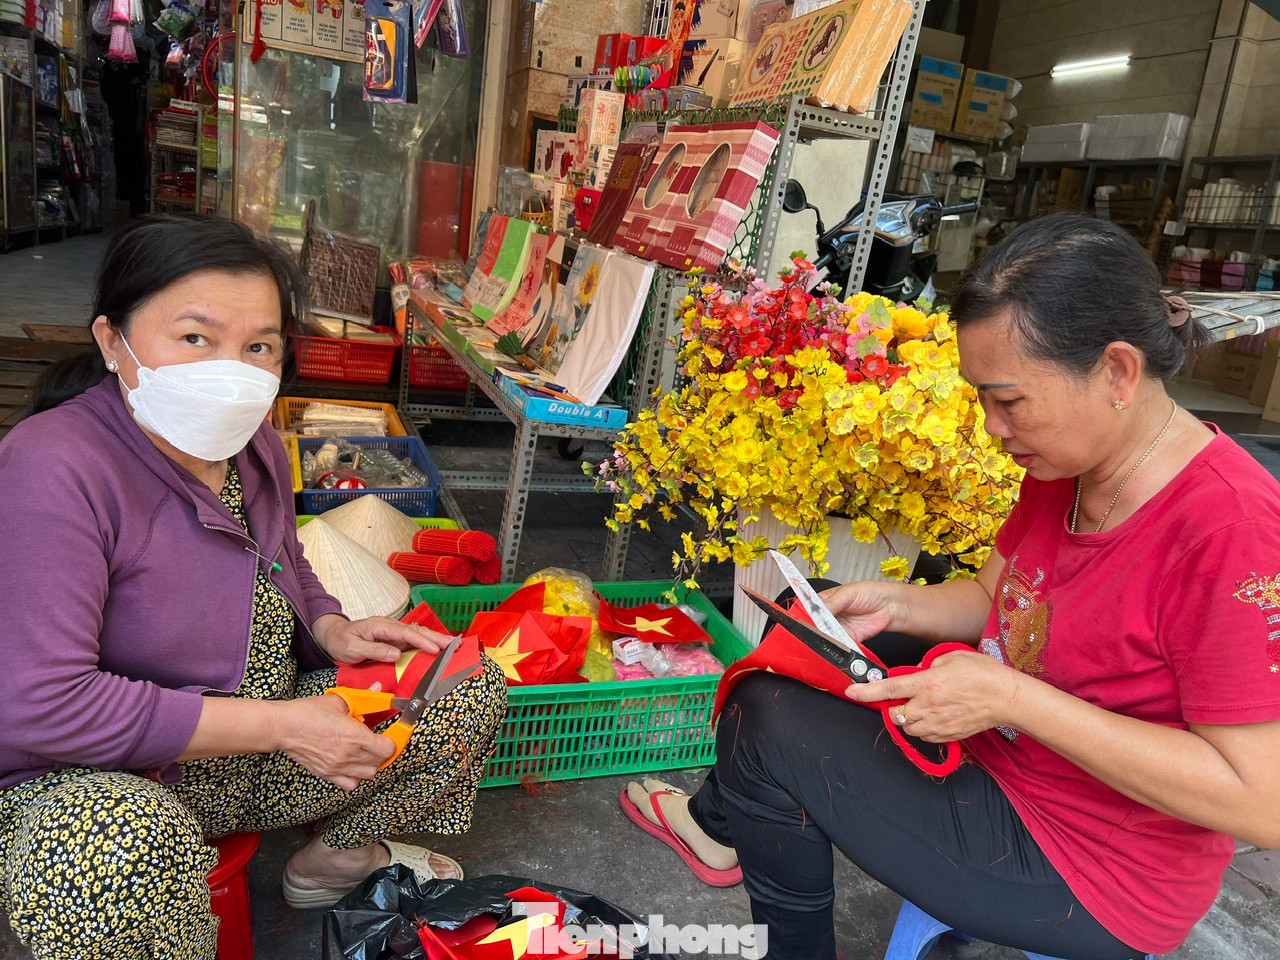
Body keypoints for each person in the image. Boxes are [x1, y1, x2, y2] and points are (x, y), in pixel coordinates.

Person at [622, 213, 1280, 960]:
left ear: (1118, 373)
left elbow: (1262, 803)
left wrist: (1014, 699)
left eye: (1009, 400)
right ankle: (723, 826)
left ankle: (771, 912)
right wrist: (893, 602)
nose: (994, 428)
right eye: (982, 401)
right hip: (1009, 758)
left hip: (1094, 864)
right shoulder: (1069, 461)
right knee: (816, 629)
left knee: (765, 719)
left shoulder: (1232, 531)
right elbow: (994, 600)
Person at [0, 215, 507, 959]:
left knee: (463, 683)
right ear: (113, 342)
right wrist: (283, 725)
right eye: (196, 337)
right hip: (102, 783)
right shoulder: (54, 467)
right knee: (115, 852)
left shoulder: (252, 440)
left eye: (259, 346)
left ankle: (333, 859)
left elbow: (283, 558)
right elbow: (40, 704)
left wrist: (333, 629)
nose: (231, 370)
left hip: (259, 749)